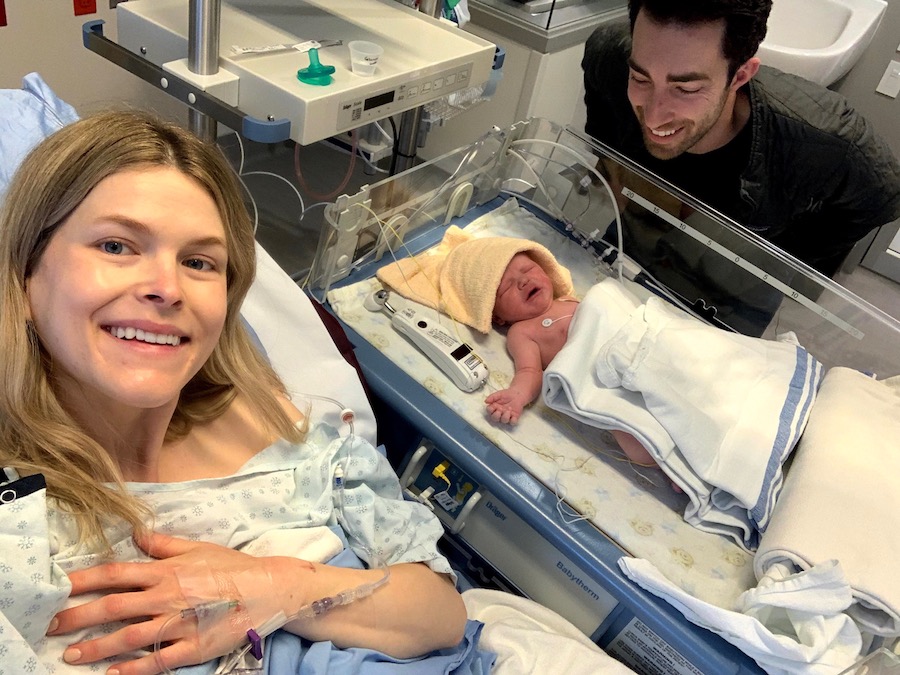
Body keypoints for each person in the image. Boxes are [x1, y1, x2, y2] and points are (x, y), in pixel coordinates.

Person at [0, 110, 486, 675]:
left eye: (199, 262)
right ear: (26, 276)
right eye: (116, 246)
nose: (166, 287)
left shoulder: (288, 429)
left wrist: (276, 588)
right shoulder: (21, 507)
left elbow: (441, 612)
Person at [582, 0, 900, 281]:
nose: (652, 117)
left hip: (726, 283)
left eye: (686, 89)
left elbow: (885, 193)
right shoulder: (610, 56)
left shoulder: (821, 137)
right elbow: (600, 108)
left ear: (740, 76)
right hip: (632, 238)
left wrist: (783, 258)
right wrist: (611, 170)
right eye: (640, 78)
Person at [484, 252, 660, 472]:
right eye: (506, 287)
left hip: (631, 351)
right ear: (498, 317)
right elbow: (530, 370)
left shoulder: (569, 300)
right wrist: (517, 396)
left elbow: (607, 315)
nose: (523, 281)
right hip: (599, 381)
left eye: (528, 269)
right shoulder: (522, 331)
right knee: (637, 441)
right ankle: (676, 469)